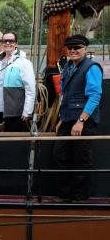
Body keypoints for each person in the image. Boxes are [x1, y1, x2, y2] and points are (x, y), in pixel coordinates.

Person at [53, 34, 103, 202]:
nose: (73, 50)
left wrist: (80, 121)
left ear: (85, 49)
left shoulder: (91, 68)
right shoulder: (68, 67)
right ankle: (64, 195)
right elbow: (65, 95)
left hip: (83, 122)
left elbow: (95, 96)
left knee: (81, 159)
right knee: (61, 156)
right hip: (68, 119)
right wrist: (62, 117)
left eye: (77, 48)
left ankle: (80, 198)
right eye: (70, 48)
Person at [0, 31, 35, 131]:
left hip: (14, 111)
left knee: (12, 141)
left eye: (11, 41)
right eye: (5, 41)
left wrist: (27, 111)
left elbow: (30, 90)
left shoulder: (24, 63)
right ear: (2, 43)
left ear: (16, 44)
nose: (7, 43)